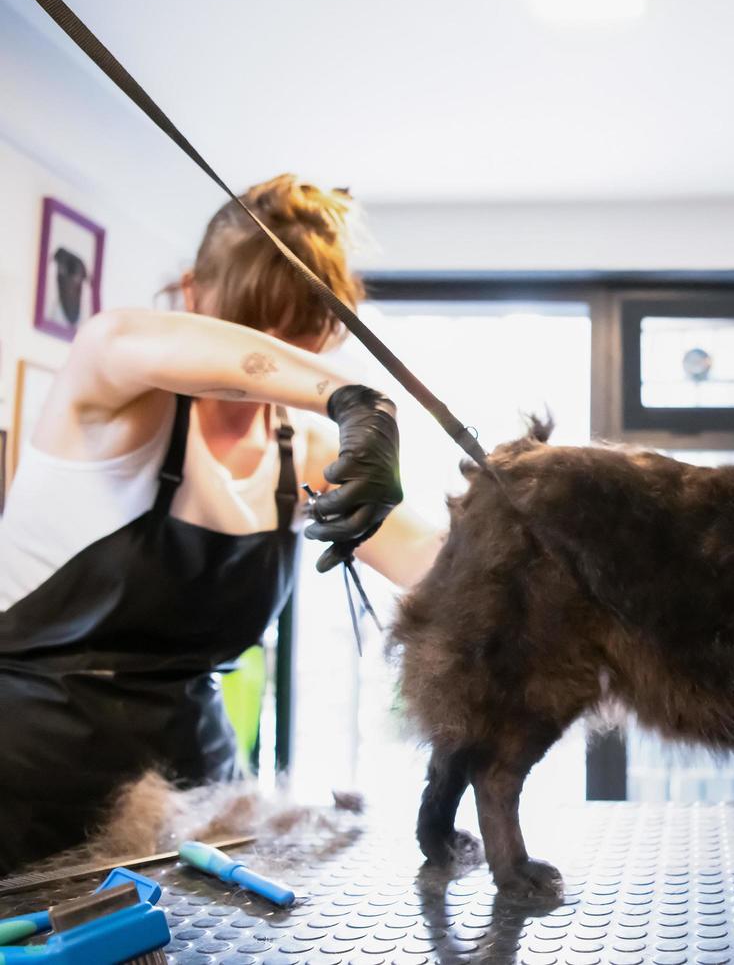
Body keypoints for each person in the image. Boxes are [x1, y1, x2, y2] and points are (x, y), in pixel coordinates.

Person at [0, 175, 442, 871]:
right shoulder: (115, 400)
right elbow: (116, 334)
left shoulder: (309, 451)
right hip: (22, 793)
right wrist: (358, 398)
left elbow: (438, 566)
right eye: (245, 332)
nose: (268, 361)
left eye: (296, 333)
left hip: (196, 802)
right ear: (191, 294)